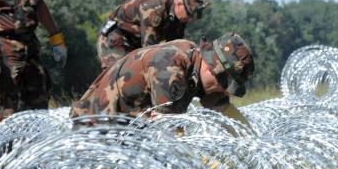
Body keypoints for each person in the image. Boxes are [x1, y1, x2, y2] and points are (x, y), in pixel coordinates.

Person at [70, 32, 254, 120]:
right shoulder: (171, 65)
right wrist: (203, 162)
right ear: (210, 69)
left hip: (127, 130)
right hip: (97, 126)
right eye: (224, 83)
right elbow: (168, 129)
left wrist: (251, 147)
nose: (224, 91)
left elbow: (224, 111)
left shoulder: (198, 68)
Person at [97, 0, 210, 72]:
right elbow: (148, 51)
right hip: (116, 39)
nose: (190, 20)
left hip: (135, 44)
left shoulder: (179, 17)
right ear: (179, 4)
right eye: (189, 15)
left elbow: (175, 47)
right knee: (115, 78)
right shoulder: (154, 9)